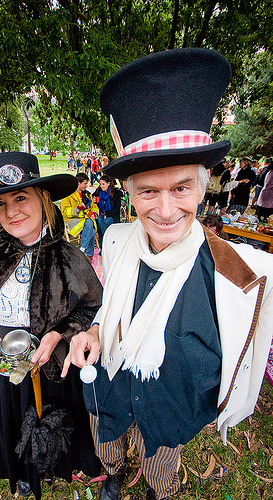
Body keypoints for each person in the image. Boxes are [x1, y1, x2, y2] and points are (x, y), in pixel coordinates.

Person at [61, 49, 273, 500]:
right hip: (110, 384)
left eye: (181, 188)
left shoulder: (239, 273)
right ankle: (114, 474)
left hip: (172, 405)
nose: (164, 210)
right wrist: (96, 333)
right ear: (129, 193)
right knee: (108, 439)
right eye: (148, 192)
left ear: (202, 186)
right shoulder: (116, 240)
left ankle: (159, 491)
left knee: (162, 466)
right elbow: (107, 307)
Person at [0, 152, 102, 500]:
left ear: (43, 197)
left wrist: (59, 332)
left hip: (51, 365)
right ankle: (23, 474)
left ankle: (55, 466)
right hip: (3, 366)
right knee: (13, 420)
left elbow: (92, 306)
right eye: (0, 203)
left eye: (20, 198)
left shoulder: (71, 258)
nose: (11, 212)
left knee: (54, 418)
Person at [61, 172, 99, 262]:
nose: (87, 186)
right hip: (73, 221)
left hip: (86, 220)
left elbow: (94, 206)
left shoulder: (87, 194)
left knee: (90, 226)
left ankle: (85, 253)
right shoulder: (67, 194)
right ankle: (85, 252)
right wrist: (76, 209)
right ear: (78, 183)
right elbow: (64, 212)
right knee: (90, 225)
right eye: (85, 183)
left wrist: (94, 213)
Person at [93, 175, 122, 249]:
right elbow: (91, 198)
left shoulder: (116, 193)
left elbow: (117, 208)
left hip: (112, 215)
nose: (101, 186)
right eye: (100, 184)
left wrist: (107, 214)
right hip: (101, 213)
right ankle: (108, 243)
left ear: (108, 184)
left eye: (103, 184)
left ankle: (104, 246)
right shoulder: (98, 191)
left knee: (104, 222)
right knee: (99, 220)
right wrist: (94, 200)